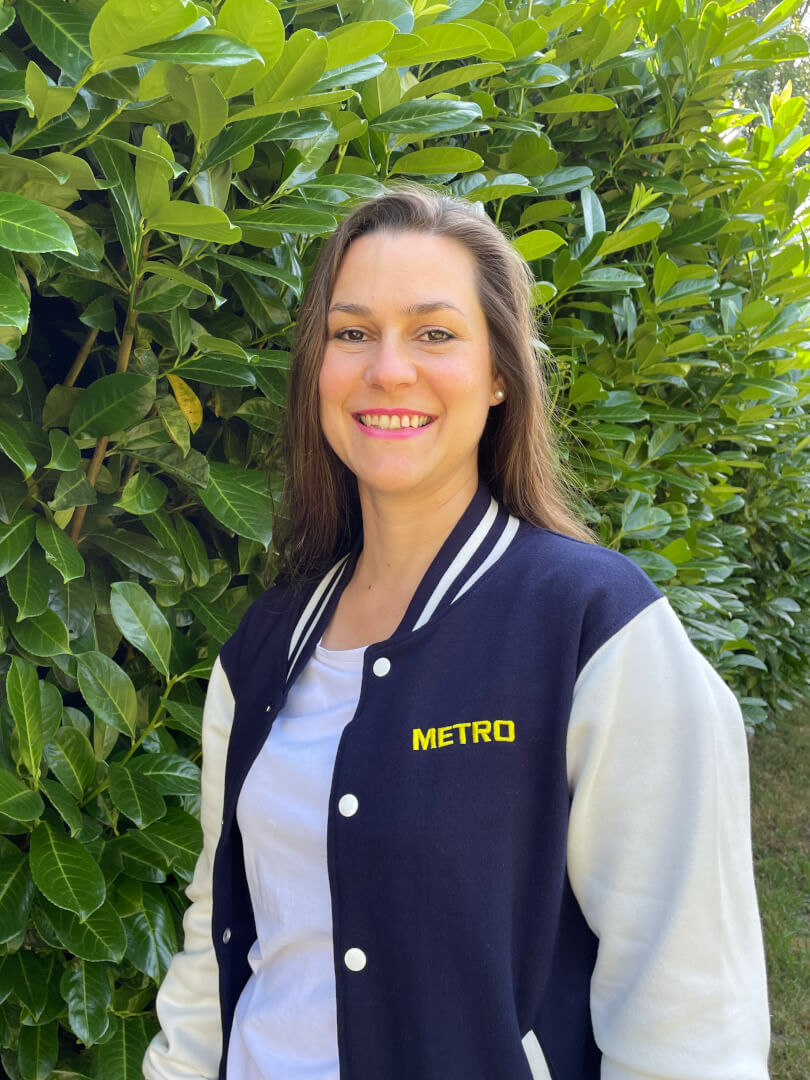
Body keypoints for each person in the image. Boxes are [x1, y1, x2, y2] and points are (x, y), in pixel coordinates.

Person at [143, 184, 769, 1080]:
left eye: (435, 333)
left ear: (501, 373)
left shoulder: (595, 629)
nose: (388, 369)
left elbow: (688, 1014)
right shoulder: (263, 647)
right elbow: (221, 933)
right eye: (352, 333)